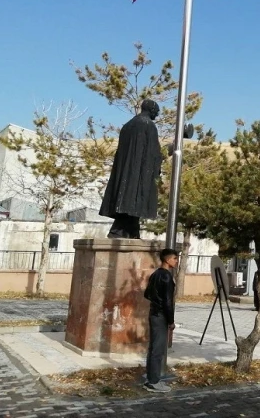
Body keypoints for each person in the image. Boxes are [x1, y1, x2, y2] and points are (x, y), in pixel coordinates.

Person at [100, 99, 163, 239]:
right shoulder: (149, 125)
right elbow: (153, 152)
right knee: (133, 201)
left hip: (125, 172)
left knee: (129, 203)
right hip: (140, 172)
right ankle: (122, 231)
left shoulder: (127, 126)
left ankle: (130, 231)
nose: (157, 115)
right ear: (151, 110)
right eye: (157, 112)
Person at [143, 248, 177, 393]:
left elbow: (147, 294)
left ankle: (151, 378)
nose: (176, 261)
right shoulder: (167, 277)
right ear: (167, 260)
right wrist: (171, 321)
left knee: (153, 348)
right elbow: (168, 302)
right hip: (161, 315)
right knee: (158, 349)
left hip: (154, 313)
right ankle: (153, 382)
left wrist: (155, 301)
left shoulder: (155, 274)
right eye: (175, 258)